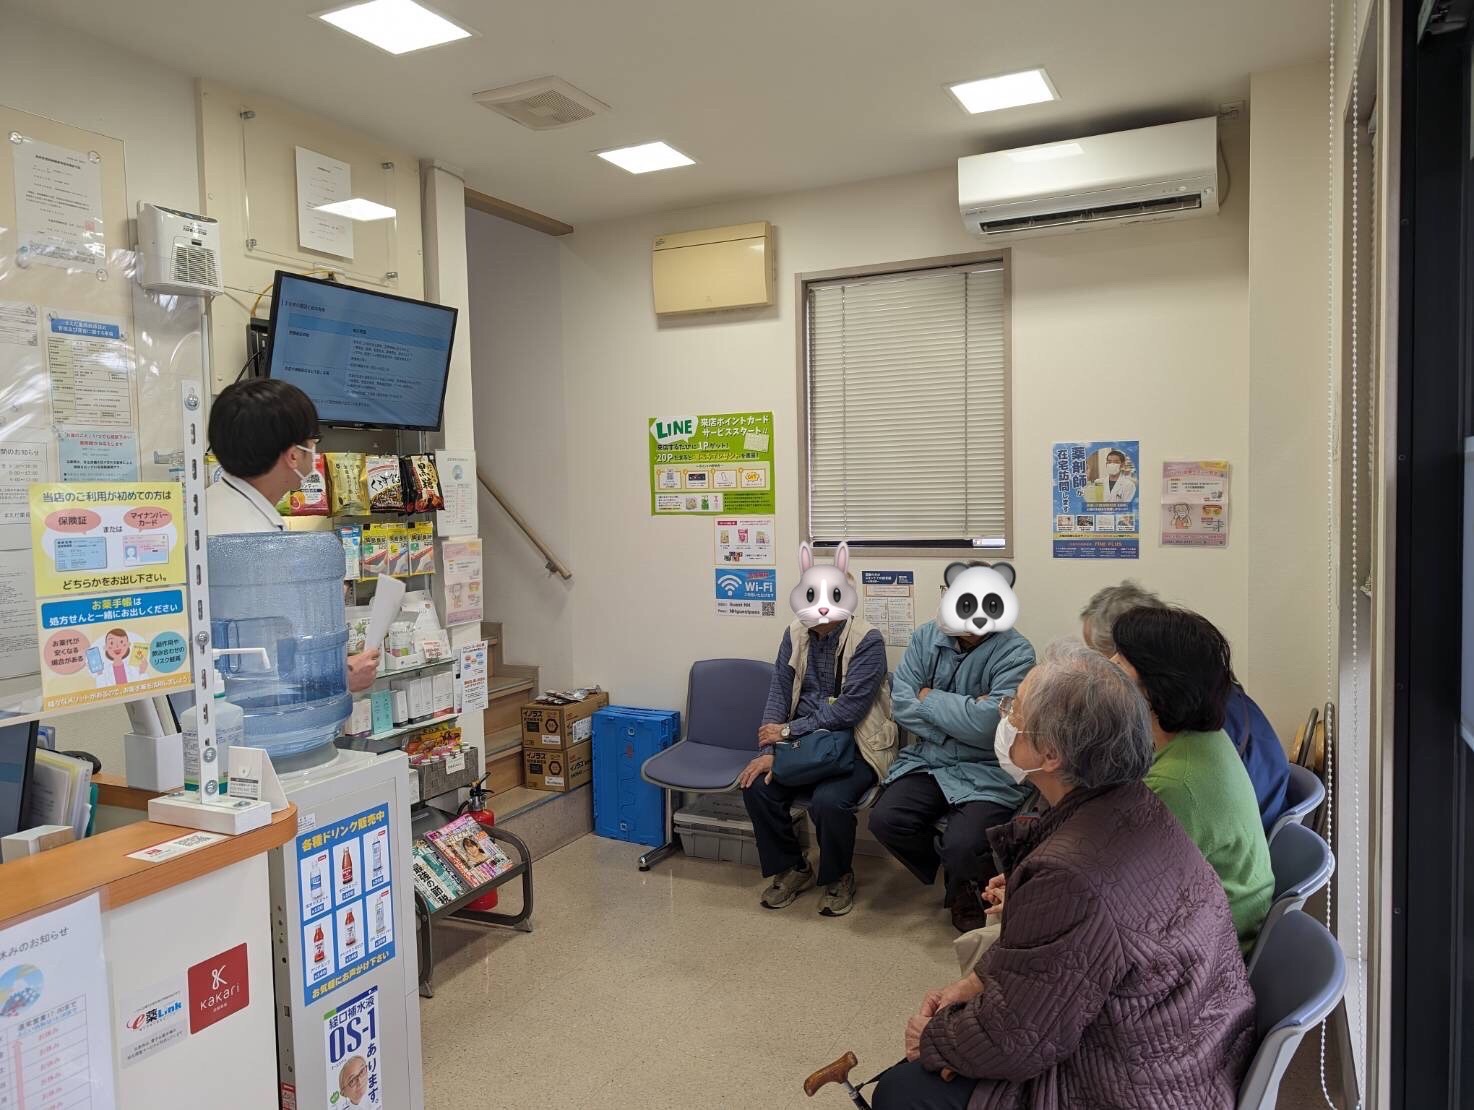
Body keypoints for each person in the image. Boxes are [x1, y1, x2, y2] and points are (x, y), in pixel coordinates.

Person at [874, 641, 1255, 1109]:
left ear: (1051, 753)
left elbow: (1014, 1040)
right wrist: (977, 982)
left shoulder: (1069, 875)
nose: (1006, 719)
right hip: (1191, 1046)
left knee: (901, 1089)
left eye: (1014, 711)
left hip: (1142, 1085)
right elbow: (1057, 960)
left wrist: (934, 1037)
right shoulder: (1136, 802)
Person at [869, 562, 1035, 932]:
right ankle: (956, 874)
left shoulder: (1017, 652)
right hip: (931, 760)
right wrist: (964, 714)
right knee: (886, 820)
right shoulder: (924, 637)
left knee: (963, 842)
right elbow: (901, 704)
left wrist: (929, 697)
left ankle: (967, 888)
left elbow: (989, 726)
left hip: (989, 768)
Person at [740, 543, 895, 917]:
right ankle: (794, 868)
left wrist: (787, 732)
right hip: (801, 743)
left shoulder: (868, 640)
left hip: (855, 746)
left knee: (829, 801)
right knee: (757, 786)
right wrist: (768, 749)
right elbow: (779, 692)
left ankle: (840, 876)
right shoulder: (794, 633)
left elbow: (847, 712)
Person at [1110, 605, 1274, 951]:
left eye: (1121, 661)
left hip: (1212, 947)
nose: (1108, 666)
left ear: (1155, 686)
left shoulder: (1175, 785)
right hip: (1223, 919)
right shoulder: (1203, 739)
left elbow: (1127, 897)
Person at [206, 379, 380, 693]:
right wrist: (340, 678)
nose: (315, 453)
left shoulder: (208, 508)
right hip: (253, 711)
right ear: (293, 456)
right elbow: (268, 663)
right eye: (313, 443)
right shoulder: (255, 542)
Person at [1081, 580, 1291, 832]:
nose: (1102, 670)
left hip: (1253, 824)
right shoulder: (1204, 718)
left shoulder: (1177, 781)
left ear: (1154, 672)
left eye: (1118, 659)